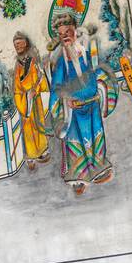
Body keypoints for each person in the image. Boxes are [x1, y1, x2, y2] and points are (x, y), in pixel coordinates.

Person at [47, 13, 117, 196]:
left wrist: (102, 87)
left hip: (92, 106)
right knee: (76, 142)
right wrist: (66, 101)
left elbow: (100, 73)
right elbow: (56, 89)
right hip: (74, 112)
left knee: (95, 138)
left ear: (75, 31)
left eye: (68, 31)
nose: (66, 36)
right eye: (61, 34)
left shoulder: (88, 53)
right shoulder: (61, 62)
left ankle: (99, 169)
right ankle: (79, 176)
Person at [11, 31, 50, 170]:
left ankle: (43, 150)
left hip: (36, 98)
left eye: (20, 43)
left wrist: (36, 89)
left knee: (39, 124)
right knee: (28, 130)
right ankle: (32, 155)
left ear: (26, 43)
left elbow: (40, 77)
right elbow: (16, 88)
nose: (18, 47)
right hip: (26, 101)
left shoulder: (34, 61)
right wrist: (24, 97)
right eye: (16, 45)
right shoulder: (17, 66)